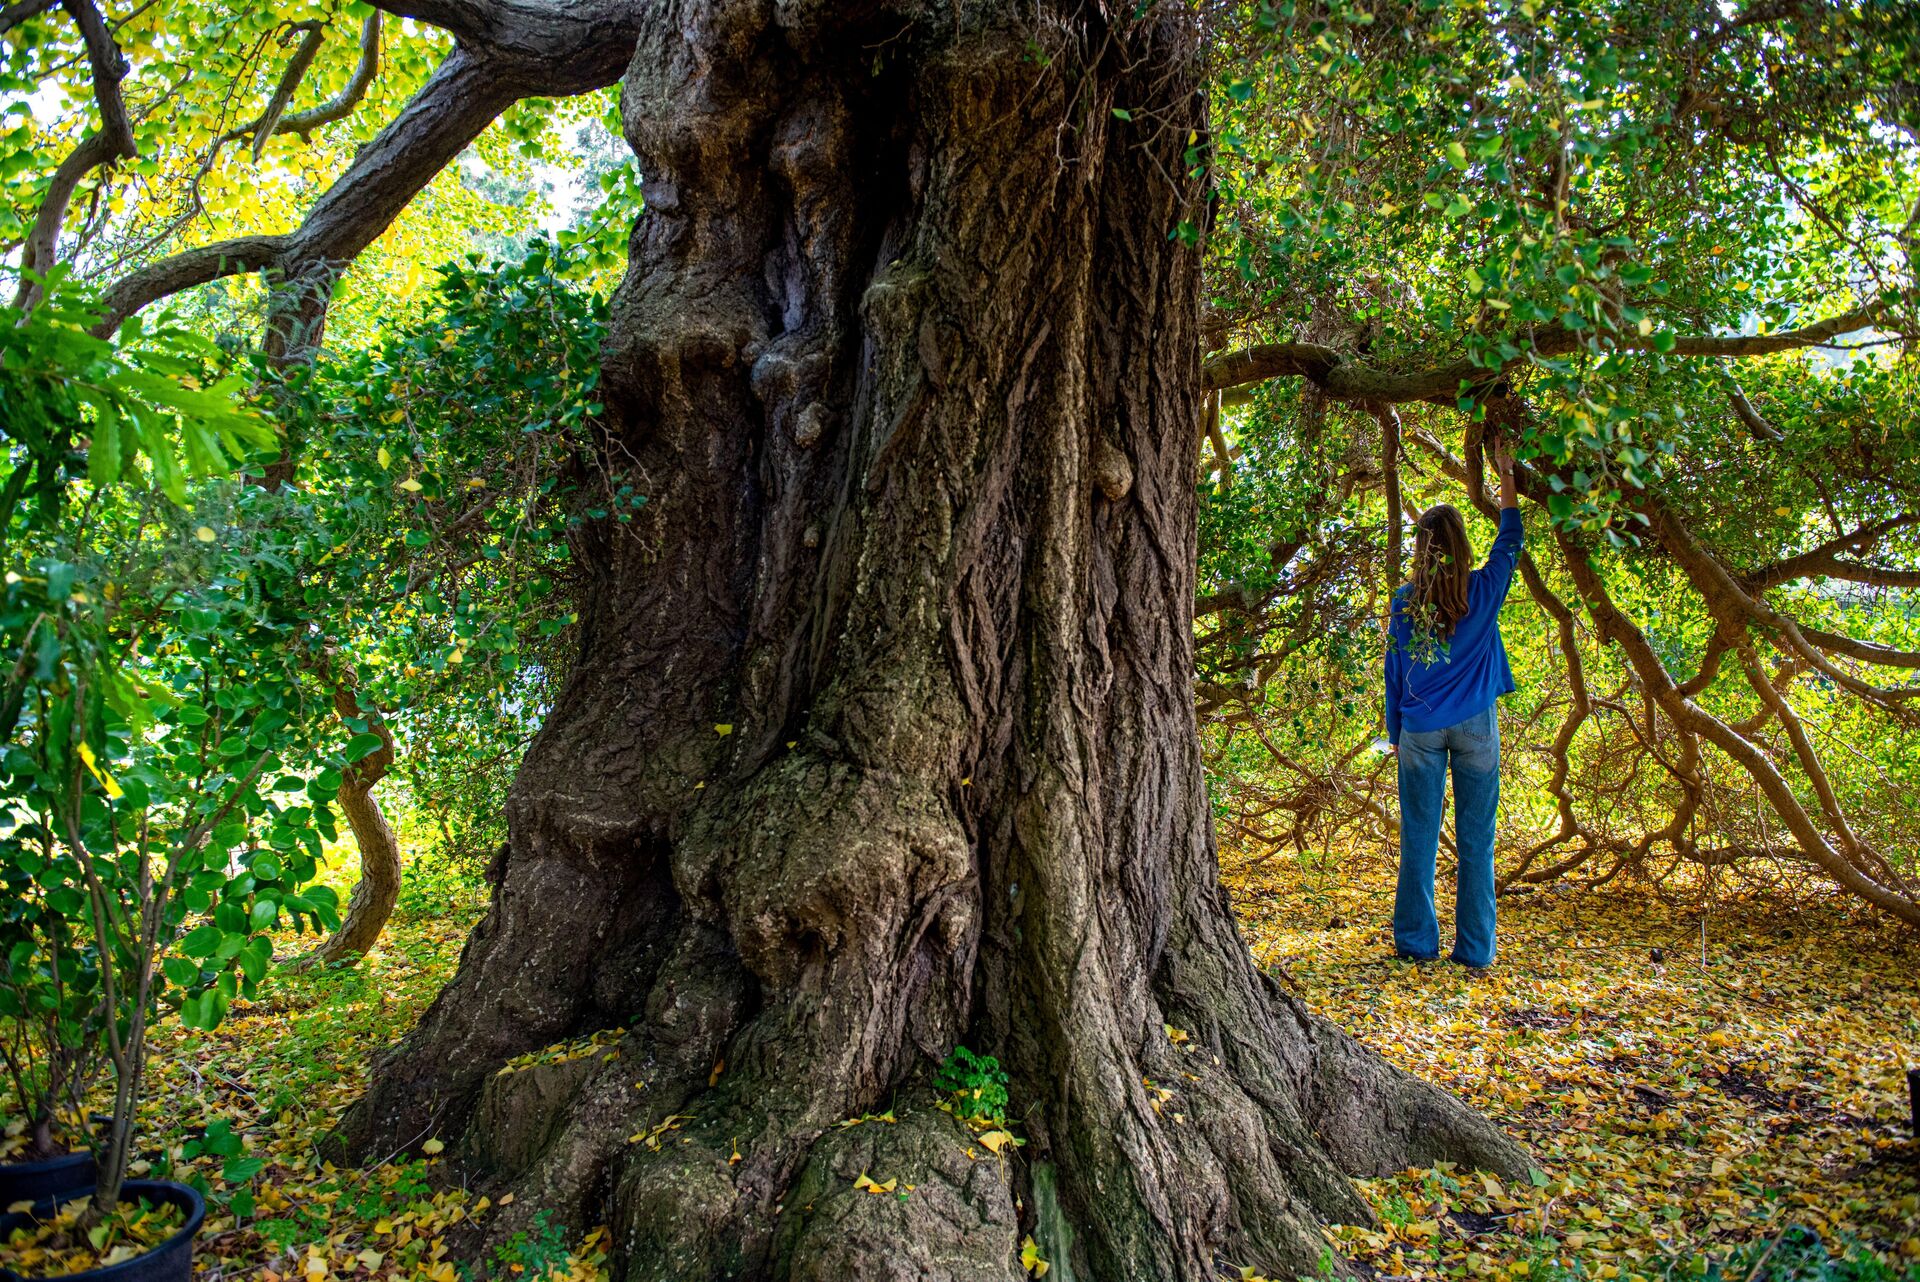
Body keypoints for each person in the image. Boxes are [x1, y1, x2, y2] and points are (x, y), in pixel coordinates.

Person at [1384, 441, 1522, 971]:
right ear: (1462, 546)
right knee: (1476, 843)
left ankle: (1417, 945)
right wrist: (1505, 472)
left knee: (1418, 838)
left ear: (1421, 550)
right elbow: (1511, 537)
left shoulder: (1405, 600)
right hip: (1475, 729)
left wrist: (1394, 729)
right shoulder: (1483, 591)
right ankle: (1475, 951)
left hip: (1419, 727)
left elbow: (1395, 669)